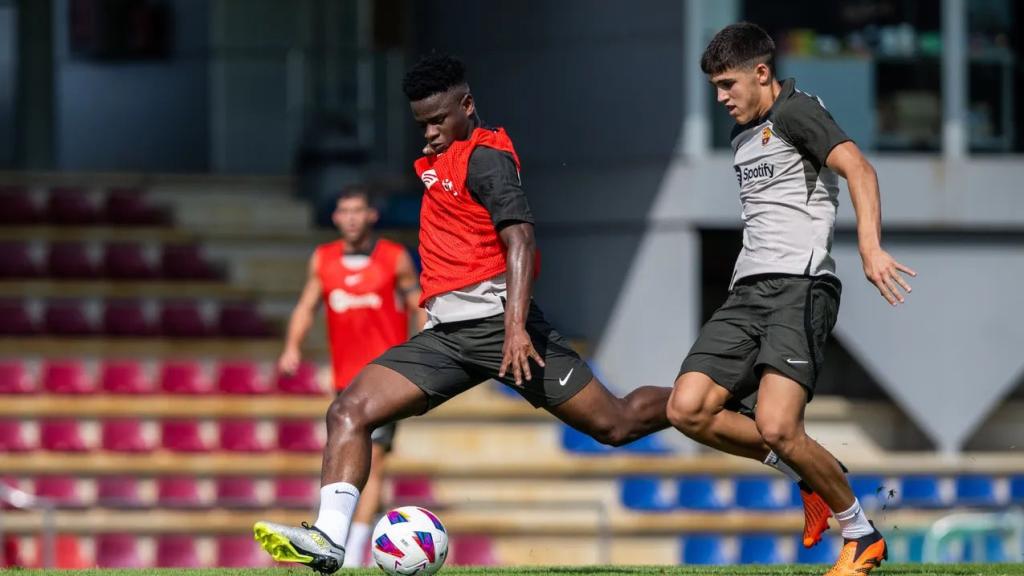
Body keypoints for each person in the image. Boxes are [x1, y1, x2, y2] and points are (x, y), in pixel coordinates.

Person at [253, 53, 673, 574]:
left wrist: (516, 329)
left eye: (437, 120)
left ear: (467, 106)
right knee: (348, 410)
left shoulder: (486, 158)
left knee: (616, 425)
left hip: (502, 329)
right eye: (421, 123)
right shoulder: (440, 161)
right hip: (448, 336)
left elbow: (519, 239)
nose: (428, 132)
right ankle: (329, 541)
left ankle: (702, 397)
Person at [666, 22, 916, 576]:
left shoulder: (796, 111)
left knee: (779, 426)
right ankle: (810, 475)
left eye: (728, 84)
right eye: (714, 87)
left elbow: (859, 167)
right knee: (687, 409)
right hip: (746, 292)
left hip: (799, 288)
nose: (720, 97)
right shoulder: (745, 134)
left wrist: (871, 249)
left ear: (762, 73)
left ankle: (862, 534)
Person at [276, 186, 425, 567]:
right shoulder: (323, 259)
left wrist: (421, 350)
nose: (353, 217)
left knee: (372, 462)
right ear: (336, 217)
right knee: (348, 461)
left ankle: (353, 553)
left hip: (386, 378)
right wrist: (292, 347)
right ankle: (349, 535)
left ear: (372, 215)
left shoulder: (394, 258)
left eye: (359, 210)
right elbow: (307, 306)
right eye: (345, 211)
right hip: (345, 382)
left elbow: (418, 305)